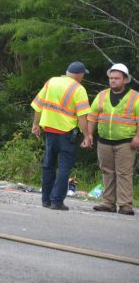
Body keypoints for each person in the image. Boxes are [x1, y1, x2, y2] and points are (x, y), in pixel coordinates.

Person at [32, 62, 92, 211]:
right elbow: (82, 117)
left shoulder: (51, 81)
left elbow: (38, 105)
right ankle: (57, 201)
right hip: (66, 134)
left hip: (49, 132)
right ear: (80, 75)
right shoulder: (79, 89)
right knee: (64, 167)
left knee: (48, 166)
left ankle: (46, 200)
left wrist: (35, 125)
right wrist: (87, 136)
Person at [84, 63, 139, 215]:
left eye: (116, 78)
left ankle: (125, 205)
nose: (113, 81)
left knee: (124, 173)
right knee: (107, 172)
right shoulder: (102, 95)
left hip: (126, 142)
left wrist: (137, 137)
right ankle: (108, 203)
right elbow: (92, 117)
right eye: (111, 78)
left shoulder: (135, 97)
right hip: (104, 141)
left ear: (125, 79)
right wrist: (88, 135)